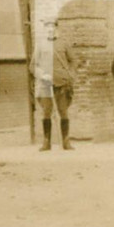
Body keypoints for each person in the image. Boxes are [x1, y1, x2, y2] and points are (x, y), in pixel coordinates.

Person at [30, 19, 77, 151]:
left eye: (52, 27)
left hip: (62, 83)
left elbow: (73, 61)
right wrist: (42, 75)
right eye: (47, 27)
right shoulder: (40, 45)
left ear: (56, 28)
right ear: (45, 29)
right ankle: (46, 142)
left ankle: (66, 141)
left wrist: (70, 76)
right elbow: (33, 66)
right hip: (45, 84)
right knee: (46, 112)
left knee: (63, 111)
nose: (50, 29)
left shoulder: (63, 44)